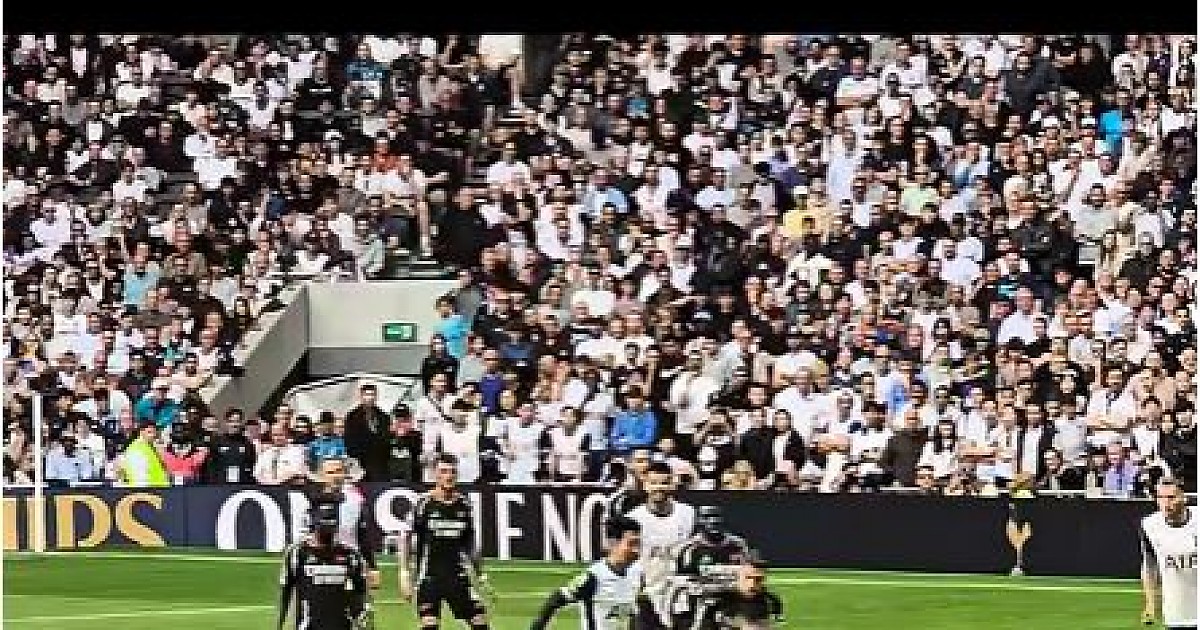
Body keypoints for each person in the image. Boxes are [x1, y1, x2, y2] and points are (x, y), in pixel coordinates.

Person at [400, 454, 492, 630]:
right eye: (443, 471)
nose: (448, 476)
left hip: (458, 577)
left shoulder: (464, 505)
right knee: (430, 625)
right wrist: (404, 573)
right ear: (435, 474)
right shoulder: (423, 503)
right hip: (429, 578)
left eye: (452, 472)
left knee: (480, 623)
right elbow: (405, 536)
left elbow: (470, 543)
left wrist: (480, 574)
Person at [529, 515, 647, 630]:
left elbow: (634, 613)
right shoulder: (594, 577)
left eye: (638, 544)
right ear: (612, 543)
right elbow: (554, 600)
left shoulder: (638, 573)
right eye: (631, 543)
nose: (636, 550)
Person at [277, 494, 369, 630]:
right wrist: (280, 624)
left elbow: (361, 594)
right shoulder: (297, 553)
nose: (329, 529)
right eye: (324, 523)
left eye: (332, 523)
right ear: (313, 521)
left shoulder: (350, 555)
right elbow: (286, 592)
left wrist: (363, 621)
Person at [626, 461, 697, 627]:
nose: (659, 488)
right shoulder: (634, 518)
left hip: (681, 596)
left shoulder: (687, 513)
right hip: (647, 595)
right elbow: (629, 559)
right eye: (654, 483)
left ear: (672, 484)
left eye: (664, 483)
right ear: (645, 486)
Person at [668, 505, 754, 629]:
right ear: (699, 521)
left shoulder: (738, 545)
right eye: (707, 517)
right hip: (700, 603)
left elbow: (749, 575)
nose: (713, 521)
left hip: (732, 602)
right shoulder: (688, 548)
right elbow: (679, 581)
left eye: (716, 516)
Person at [304, 457, 382, 590]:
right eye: (330, 473)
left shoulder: (356, 500)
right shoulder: (312, 501)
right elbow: (306, 536)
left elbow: (362, 535)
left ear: (345, 473)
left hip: (350, 562)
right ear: (321, 476)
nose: (335, 476)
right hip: (320, 564)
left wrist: (372, 566)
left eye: (338, 471)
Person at [1139, 478, 1197, 629]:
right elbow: (1149, 565)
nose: (1166, 503)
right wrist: (1150, 603)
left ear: (1183, 498)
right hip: (1176, 613)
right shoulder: (1150, 525)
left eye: (1171, 497)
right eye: (1160, 497)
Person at [690, 559, 785, 629]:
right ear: (739, 578)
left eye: (758, 579)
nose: (752, 584)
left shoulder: (765, 600)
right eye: (748, 578)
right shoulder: (718, 597)